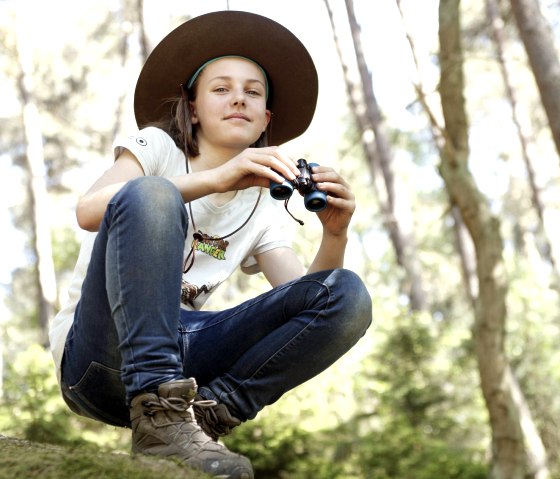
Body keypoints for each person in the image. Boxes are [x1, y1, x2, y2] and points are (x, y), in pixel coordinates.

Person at [49, 10, 372, 479]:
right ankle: (161, 408)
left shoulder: (263, 201)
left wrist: (335, 231)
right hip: (99, 356)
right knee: (153, 194)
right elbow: (88, 210)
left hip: (185, 365)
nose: (238, 98)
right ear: (194, 107)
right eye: (221, 88)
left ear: (266, 118)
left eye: (253, 92)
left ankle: (205, 416)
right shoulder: (159, 147)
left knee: (347, 294)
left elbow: (308, 303)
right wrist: (216, 177)